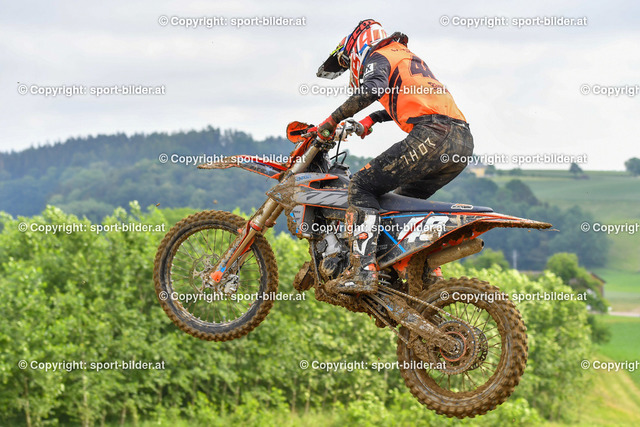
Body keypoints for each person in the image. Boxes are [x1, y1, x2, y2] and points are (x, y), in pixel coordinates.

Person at [315, 19, 474, 295]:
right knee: (402, 204)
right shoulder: (405, 57)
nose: (350, 67)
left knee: (361, 186)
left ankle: (362, 272)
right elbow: (409, 97)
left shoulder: (379, 56)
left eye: (347, 62)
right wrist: (372, 119)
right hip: (462, 142)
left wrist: (330, 121)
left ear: (357, 47)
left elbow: (372, 89)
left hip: (433, 136)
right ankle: (425, 274)